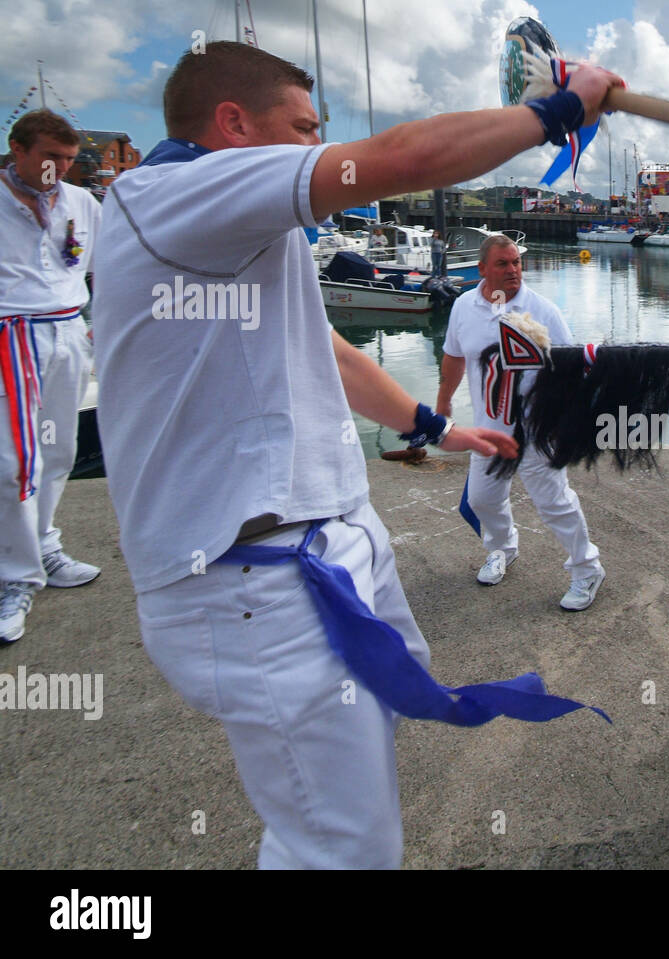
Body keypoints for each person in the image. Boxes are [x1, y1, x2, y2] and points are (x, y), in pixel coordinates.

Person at [91, 42, 620, 868]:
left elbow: (329, 354)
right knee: (343, 846)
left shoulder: (222, 231)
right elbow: (396, 159)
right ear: (232, 125)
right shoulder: (176, 191)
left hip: (306, 551)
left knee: (335, 814)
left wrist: (438, 428)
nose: (317, 147)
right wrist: (558, 113)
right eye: (302, 128)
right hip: (257, 575)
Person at [437, 236, 605, 611]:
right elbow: (453, 358)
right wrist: (443, 401)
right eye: (503, 264)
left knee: (554, 503)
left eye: (516, 262)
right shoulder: (464, 307)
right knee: (482, 499)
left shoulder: (542, 310)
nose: (513, 270)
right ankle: (502, 548)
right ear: (482, 269)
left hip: (536, 428)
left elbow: (571, 367)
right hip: (490, 428)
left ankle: (587, 568)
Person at [0, 109, 102, 645]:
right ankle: (12, 579)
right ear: (17, 149)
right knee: (12, 461)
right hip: (9, 335)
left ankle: (42, 543)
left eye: (66, 159)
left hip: (67, 333)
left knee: (59, 450)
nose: (58, 169)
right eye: (48, 156)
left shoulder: (81, 204)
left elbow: (102, 268)